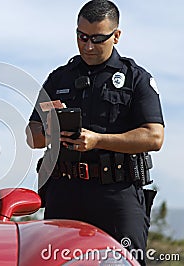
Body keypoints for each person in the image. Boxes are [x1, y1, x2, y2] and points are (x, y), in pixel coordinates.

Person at [25, 1, 164, 265]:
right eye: (82, 37)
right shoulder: (59, 78)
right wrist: (53, 133)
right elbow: (32, 135)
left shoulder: (136, 78)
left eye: (98, 39)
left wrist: (98, 140)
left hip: (116, 194)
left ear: (117, 36)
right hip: (64, 192)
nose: (88, 46)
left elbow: (154, 137)